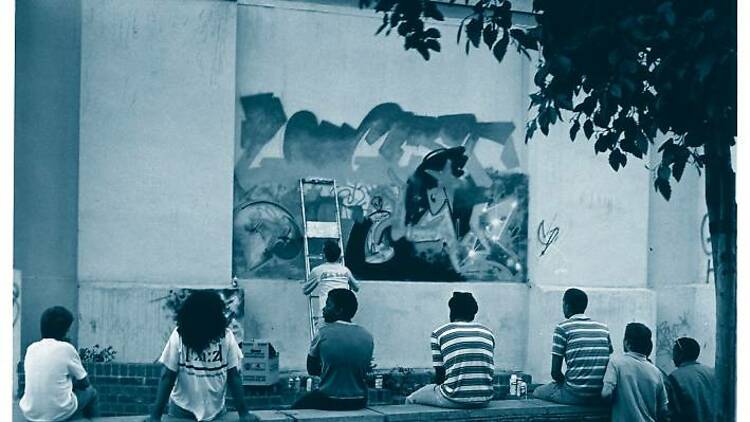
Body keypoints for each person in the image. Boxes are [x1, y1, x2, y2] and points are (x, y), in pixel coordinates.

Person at [145, 290, 256, 422]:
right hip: (182, 410)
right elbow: (167, 376)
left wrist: (244, 413)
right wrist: (155, 416)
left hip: (216, 412)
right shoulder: (179, 336)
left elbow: (233, 376)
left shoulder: (226, 337)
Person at [406, 292, 495, 408]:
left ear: (452, 311)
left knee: (410, 399)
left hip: (453, 398)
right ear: (473, 313)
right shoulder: (487, 333)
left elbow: (440, 375)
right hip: (485, 399)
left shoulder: (439, 333)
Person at [292, 289, 374, 410]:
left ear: (339, 311)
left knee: (295, 409)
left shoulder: (323, 333)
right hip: (360, 400)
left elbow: (312, 369)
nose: (324, 309)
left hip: (329, 398)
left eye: (328, 305)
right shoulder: (367, 336)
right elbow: (363, 368)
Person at [533, 288, 612, 404]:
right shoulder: (603, 328)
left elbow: (555, 373)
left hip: (575, 394)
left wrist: (569, 385)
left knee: (537, 391)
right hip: (598, 393)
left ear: (567, 305)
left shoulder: (563, 328)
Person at [20, 306, 98, 421]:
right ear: (65, 331)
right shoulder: (66, 348)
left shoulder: (31, 348)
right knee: (91, 392)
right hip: (57, 412)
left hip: (30, 412)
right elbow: (85, 383)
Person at [601, 322, 669, 422]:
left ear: (627, 343)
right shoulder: (656, 371)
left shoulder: (616, 363)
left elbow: (606, 394)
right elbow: (663, 409)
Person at [303, 240, 360, 315]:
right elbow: (357, 287)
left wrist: (313, 282)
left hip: (327, 310)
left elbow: (306, 290)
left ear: (324, 255)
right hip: (343, 311)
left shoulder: (318, 270)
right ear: (339, 255)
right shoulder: (345, 270)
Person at [666, 337, 716, 422]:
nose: (672, 356)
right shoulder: (711, 372)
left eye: (674, 352)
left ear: (680, 354)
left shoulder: (675, 377)